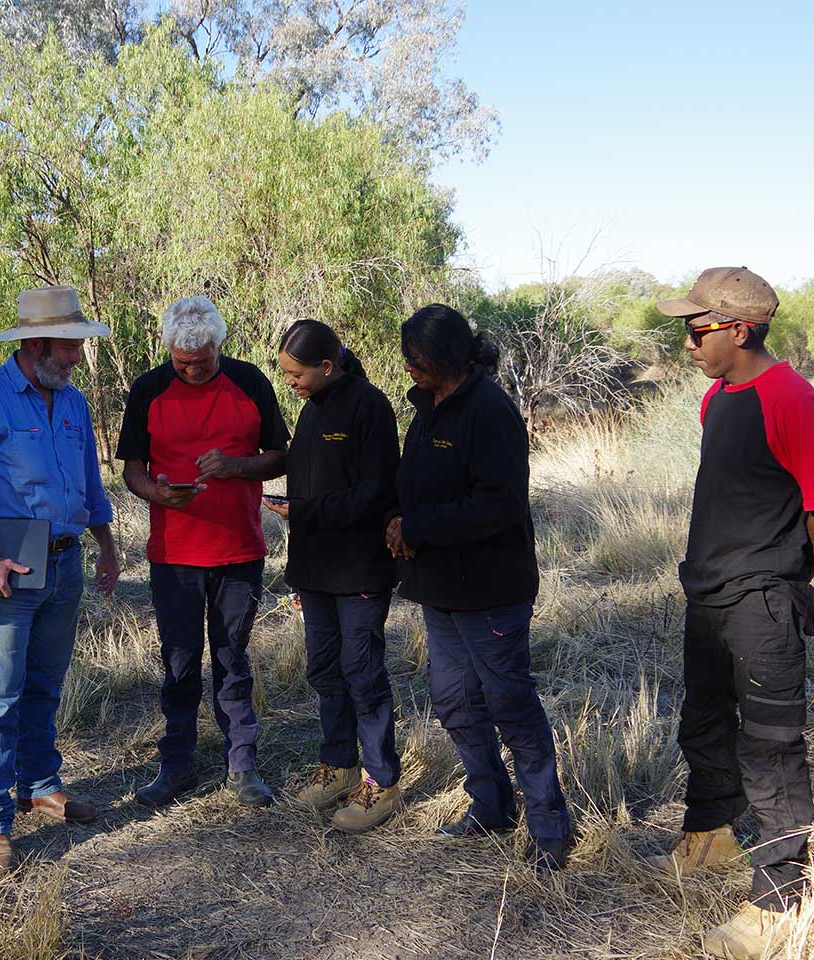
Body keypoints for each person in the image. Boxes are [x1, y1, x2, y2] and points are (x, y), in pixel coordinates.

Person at [649, 267, 814, 959]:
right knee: (703, 722)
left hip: (760, 605)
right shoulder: (718, 399)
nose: (687, 343)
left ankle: (780, 903)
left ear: (739, 328)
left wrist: (788, 578)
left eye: (696, 329)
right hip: (706, 597)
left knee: (771, 751)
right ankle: (711, 835)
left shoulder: (791, 399)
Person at [0, 285, 119, 878]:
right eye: (69, 347)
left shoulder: (73, 404)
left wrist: (108, 546)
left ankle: (38, 783)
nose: (76, 358)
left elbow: (90, 485)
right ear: (36, 343)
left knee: (45, 683)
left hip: (64, 564)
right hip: (10, 570)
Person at [386, 304, 573, 872]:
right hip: (441, 588)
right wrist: (400, 524)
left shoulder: (489, 409)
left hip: (490, 588)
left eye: (416, 359)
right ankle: (490, 807)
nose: (408, 368)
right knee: (454, 702)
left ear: (446, 357)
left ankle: (549, 832)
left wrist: (419, 527)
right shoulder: (428, 408)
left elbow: (499, 503)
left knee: (511, 706)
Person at [116, 296, 289, 808]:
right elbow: (132, 469)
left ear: (220, 346)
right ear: (168, 350)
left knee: (232, 657)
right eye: (181, 362)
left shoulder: (250, 381)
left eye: (203, 362)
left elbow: (280, 456)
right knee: (179, 659)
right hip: (173, 553)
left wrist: (237, 466)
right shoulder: (148, 388)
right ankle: (176, 765)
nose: (192, 371)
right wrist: (158, 492)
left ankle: (243, 765)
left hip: (237, 549)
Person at [265, 320, 403, 832]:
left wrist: (305, 512)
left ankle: (381, 781)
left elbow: (374, 493)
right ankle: (340, 765)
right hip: (314, 569)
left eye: (297, 374)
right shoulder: (310, 410)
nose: (291, 383)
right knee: (324, 671)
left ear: (327, 365)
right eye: (285, 375)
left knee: (362, 672)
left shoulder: (371, 407)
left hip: (360, 565)